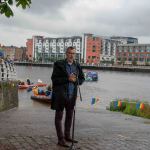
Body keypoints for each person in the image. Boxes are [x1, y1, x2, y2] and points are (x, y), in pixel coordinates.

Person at [51, 46, 85, 147]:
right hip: (61, 95)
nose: (72, 55)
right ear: (66, 53)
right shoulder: (59, 64)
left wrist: (77, 81)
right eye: (70, 53)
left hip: (72, 95)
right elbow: (54, 79)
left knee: (70, 117)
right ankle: (60, 139)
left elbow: (82, 78)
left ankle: (67, 136)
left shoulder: (77, 65)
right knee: (59, 117)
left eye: (73, 53)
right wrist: (68, 79)